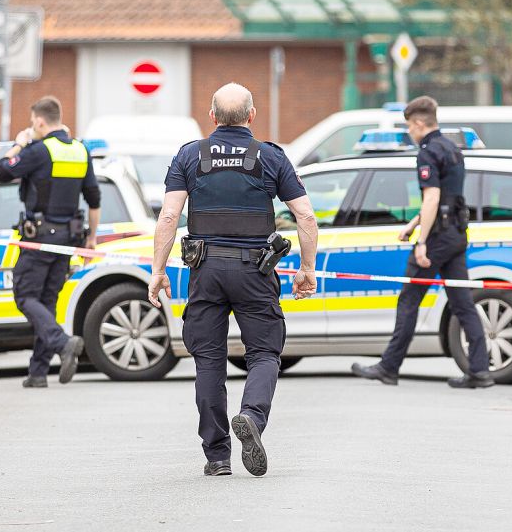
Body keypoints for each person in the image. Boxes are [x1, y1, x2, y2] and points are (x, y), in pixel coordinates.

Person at [148, 83, 319, 477]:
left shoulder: (190, 156)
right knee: (263, 353)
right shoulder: (270, 157)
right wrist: (307, 269)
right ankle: (252, 419)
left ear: (212, 117)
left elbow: (170, 217)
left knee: (208, 360)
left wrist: (157, 271)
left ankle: (217, 455)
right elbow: (306, 216)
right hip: (255, 272)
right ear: (251, 116)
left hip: (205, 271)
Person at [350, 95, 493, 389]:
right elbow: (446, 197)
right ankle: (480, 370)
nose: (410, 134)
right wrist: (412, 225)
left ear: (418, 123)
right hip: (456, 233)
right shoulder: (453, 148)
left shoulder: (427, 152)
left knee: (409, 300)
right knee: (462, 303)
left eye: (409, 128)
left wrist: (422, 241)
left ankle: (388, 367)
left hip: (438, 237)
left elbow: (432, 197)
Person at [0, 96, 100, 388]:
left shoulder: (38, 151)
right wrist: (91, 239)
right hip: (70, 238)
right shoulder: (80, 150)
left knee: (25, 296)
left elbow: (1, 172)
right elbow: (94, 199)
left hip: (40, 237)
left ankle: (62, 343)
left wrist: (19, 144)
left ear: (40, 122)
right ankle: (38, 372)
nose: (32, 127)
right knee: (47, 301)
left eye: (32, 123)